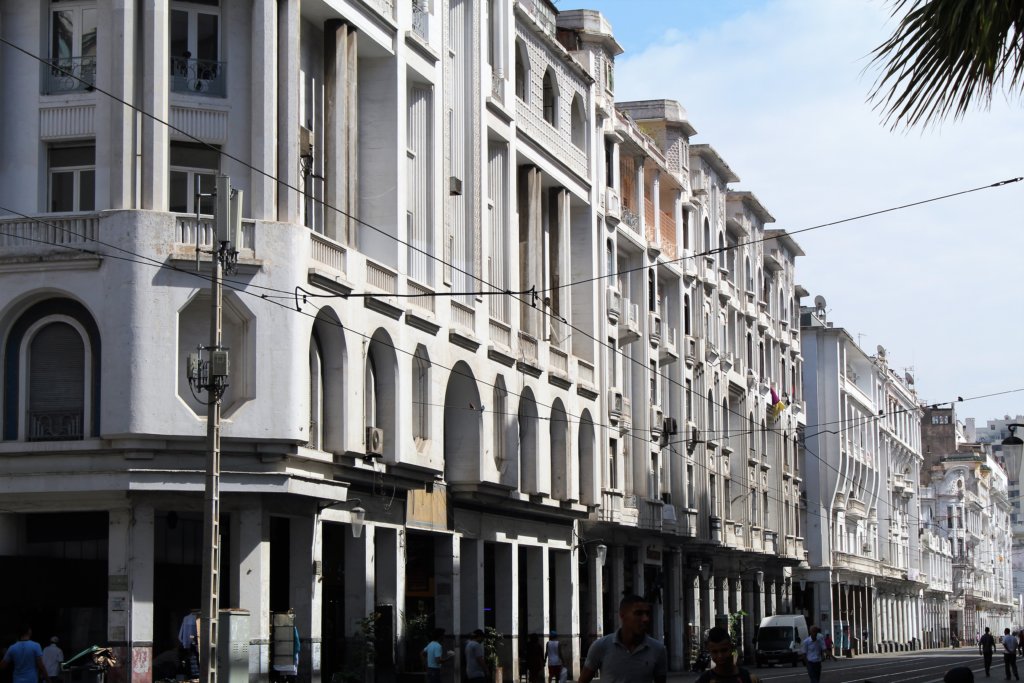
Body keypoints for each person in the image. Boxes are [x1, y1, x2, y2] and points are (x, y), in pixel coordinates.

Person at [578, 594, 667, 683]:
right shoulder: (601, 646)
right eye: (638, 613)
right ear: (622, 615)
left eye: (647, 614)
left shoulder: (658, 649)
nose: (645, 619)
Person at [693, 627, 759, 683]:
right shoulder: (704, 680)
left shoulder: (749, 679)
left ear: (732, 648)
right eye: (715, 652)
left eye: (724, 650)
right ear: (710, 651)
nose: (720, 656)